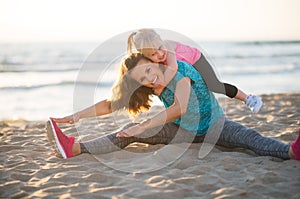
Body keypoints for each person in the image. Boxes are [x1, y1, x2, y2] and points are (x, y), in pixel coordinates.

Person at [48, 53, 300, 161]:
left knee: (249, 138)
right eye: (142, 79)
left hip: (215, 126)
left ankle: (291, 151)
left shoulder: (181, 71)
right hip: (180, 130)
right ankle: (73, 148)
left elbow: (179, 107)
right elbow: (111, 103)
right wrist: (76, 116)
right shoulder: (148, 85)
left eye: (148, 70)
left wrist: (143, 126)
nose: (149, 79)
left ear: (155, 61)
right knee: (126, 130)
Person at [127, 29, 263, 113]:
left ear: (161, 41)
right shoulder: (152, 60)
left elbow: (173, 67)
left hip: (196, 60)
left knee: (213, 85)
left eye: (160, 48)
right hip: (187, 70)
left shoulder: (167, 46)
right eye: (153, 54)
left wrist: (160, 86)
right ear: (146, 56)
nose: (160, 54)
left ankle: (249, 99)